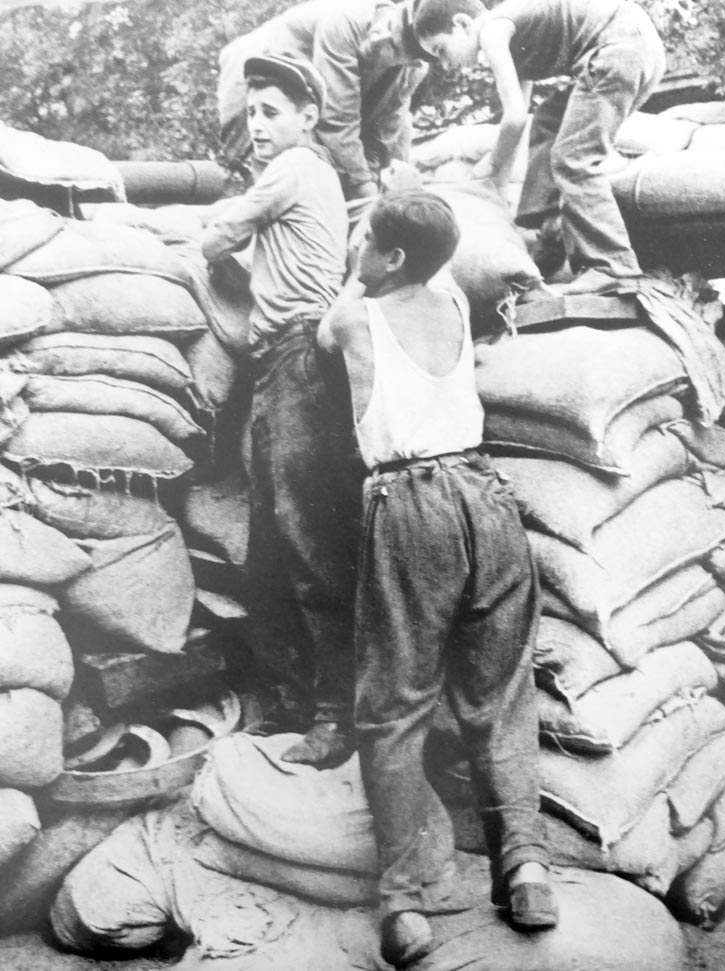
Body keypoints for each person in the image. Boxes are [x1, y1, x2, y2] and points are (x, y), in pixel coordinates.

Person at [318, 189, 556, 968]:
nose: (354, 246)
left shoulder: (356, 317)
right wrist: (406, 228)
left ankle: (405, 904)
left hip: (411, 501)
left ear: (389, 259)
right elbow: (440, 259)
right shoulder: (453, 297)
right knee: (500, 694)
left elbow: (329, 323)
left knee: (394, 704)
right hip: (487, 501)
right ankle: (525, 869)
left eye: (364, 239)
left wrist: (359, 272)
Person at [202, 54, 362, 769]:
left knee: (307, 544)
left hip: (300, 363)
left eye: (271, 111)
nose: (257, 123)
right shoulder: (296, 181)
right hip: (277, 366)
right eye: (252, 110)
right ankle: (296, 702)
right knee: (268, 546)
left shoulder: (297, 169)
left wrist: (208, 240)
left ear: (308, 118)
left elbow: (219, 233)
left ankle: (337, 715)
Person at [412, 0, 666, 292]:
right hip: (639, 47)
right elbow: (518, 119)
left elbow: (515, 118)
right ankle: (549, 236)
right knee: (547, 123)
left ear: (462, 24)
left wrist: (493, 163)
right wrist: (497, 189)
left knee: (573, 159)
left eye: (441, 50)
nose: (444, 65)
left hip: (619, 47)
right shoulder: (510, 40)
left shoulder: (493, 32)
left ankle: (611, 266)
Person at [218, 0, 432, 200]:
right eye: (387, 26)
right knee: (278, 169)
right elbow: (336, 120)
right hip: (263, 64)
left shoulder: (413, 72)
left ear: (410, 62)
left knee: (400, 131)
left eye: (393, 47)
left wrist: (374, 182)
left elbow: (383, 133)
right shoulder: (346, 20)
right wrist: (363, 186)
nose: (377, 38)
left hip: (314, 84)